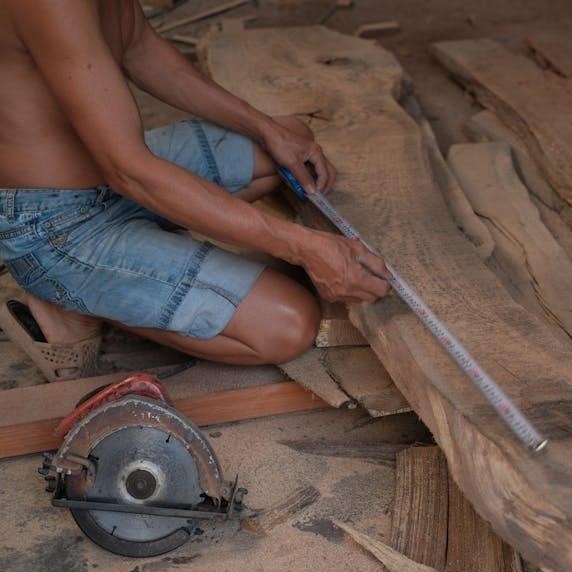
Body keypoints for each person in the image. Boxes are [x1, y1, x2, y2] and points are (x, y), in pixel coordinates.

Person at [0, 1, 389, 381]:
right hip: (55, 224)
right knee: (288, 325)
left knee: (287, 146)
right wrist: (302, 246)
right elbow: (131, 172)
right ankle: (73, 300)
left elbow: (139, 48)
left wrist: (266, 128)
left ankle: (133, 264)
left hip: (113, 173)